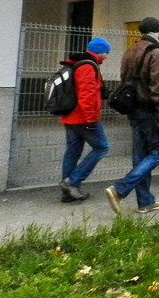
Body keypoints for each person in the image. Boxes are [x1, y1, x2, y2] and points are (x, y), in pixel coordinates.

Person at [105, 16, 159, 215]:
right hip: (149, 109)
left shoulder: (130, 51)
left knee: (140, 156)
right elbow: (158, 85)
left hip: (133, 109)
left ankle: (145, 201)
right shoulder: (155, 52)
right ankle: (120, 189)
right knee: (158, 153)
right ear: (158, 30)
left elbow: (125, 80)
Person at [58, 37, 112, 203]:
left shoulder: (77, 63)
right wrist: (91, 118)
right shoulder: (88, 66)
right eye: (106, 52)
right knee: (102, 147)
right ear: (99, 51)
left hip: (70, 116)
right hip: (83, 117)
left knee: (72, 152)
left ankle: (68, 192)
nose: (106, 56)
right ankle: (72, 182)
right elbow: (87, 94)